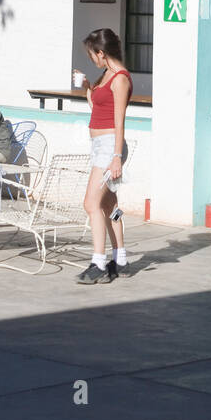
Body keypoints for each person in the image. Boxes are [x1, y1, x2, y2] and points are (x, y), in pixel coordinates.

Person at [77, 28, 132, 285]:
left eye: (93, 56)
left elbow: (119, 120)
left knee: (91, 204)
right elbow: (100, 109)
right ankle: (120, 258)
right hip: (101, 145)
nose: (93, 60)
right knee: (111, 206)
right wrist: (89, 88)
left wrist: (117, 156)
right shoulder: (106, 75)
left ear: (102, 53)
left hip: (111, 147)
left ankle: (98, 262)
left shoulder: (119, 78)